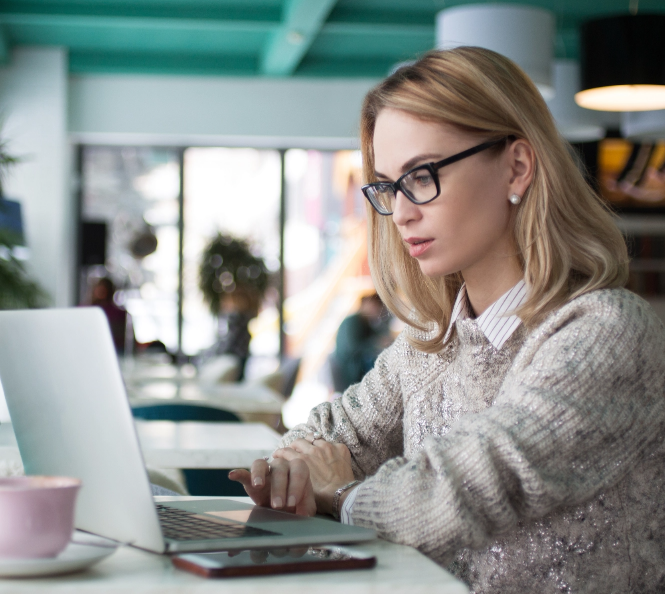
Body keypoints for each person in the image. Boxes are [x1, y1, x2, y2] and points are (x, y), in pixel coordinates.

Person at [229, 47, 665, 593]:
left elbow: (467, 488)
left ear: (517, 166)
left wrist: (343, 496)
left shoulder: (606, 332)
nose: (403, 212)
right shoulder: (431, 344)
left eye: (423, 175)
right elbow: (329, 433)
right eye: (388, 186)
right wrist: (295, 469)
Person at [332, 293, 392, 392]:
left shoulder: (365, 322)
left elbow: (376, 337)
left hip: (355, 364)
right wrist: (376, 343)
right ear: (365, 304)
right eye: (374, 306)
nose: (376, 310)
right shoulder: (353, 321)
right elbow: (353, 348)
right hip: (350, 366)